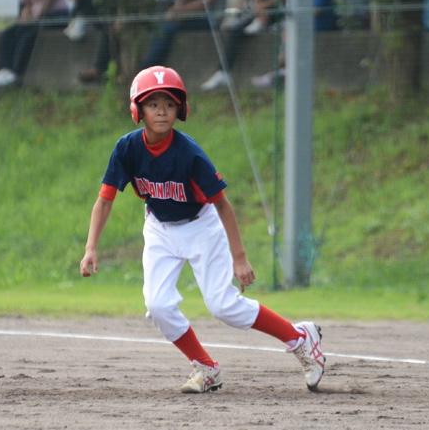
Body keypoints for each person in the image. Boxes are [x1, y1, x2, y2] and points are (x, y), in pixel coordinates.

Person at [79, 65, 326, 394]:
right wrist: (91, 247)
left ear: (180, 109)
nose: (162, 111)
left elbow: (223, 204)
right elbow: (105, 200)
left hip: (201, 226)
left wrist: (240, 257)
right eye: (153, 104)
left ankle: (300, 338)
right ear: (137, 110)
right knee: (158, 305)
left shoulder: (189, 154)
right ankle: (206, 368)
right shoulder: (126, 149)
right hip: (158, 228)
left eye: (169, 104)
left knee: (223, 306)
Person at [77, 0, 173, 84]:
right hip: (130, 16)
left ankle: (138, 71)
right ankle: (111, 72)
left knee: (120, 31)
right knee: (112, 31)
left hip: (151, 14)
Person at [252, 0, 340, 88]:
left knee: (287, 35)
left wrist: (298, 12)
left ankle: (277, 74)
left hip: (319, 26)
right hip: (307, 25)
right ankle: (279, 73)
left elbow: (316, 11)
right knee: (284, 34)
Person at [201, 0, 286, 91]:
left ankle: (276, 73)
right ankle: (222, 72)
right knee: (236, 30)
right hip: (262, 12)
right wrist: (259, 9)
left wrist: (264, 6)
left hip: (281, 11)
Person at [0, 0, 69, 89]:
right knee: (8, 33)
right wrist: (27, 14)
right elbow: (26, 1)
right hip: (35, 16)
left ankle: (16, 72)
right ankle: (3, 70)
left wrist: (38, 15)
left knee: (28, 35)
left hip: (55, 14)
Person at [139, 0, 227, 69]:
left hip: (210, 19)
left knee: (167, 28)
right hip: (191, 16)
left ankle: (150, 65)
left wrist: (183, 9)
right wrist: (175, 9)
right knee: (162, 25)